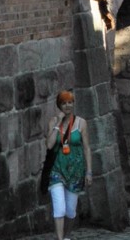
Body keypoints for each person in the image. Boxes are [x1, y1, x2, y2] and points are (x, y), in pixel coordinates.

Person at [44, 90, 93, 240]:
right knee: (59, 208)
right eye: (64, 103)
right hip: (57, 169)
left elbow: (86, 148)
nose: (67, 106)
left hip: (76, 171)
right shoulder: (53, 122)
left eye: (70, 102)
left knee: (70, 211)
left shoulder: (81, 123)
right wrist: (58, 124)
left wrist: (89, 171)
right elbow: (50, 145)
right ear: (59, 105)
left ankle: (66, 236)